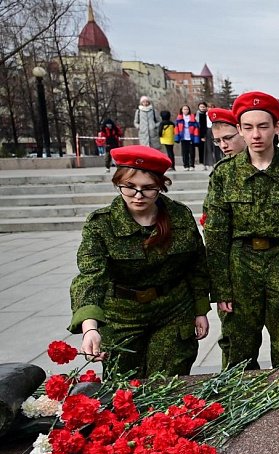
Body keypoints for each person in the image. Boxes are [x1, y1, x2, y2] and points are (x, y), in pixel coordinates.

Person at [69, 145, 210, 378]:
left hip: (173, 310)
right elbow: (91, 276)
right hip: (123, 315)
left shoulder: (179, 216)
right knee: (123, 387)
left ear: (161, 186)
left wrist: (200, 309)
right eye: (129, 187)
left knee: (169, 381)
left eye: (148, 189)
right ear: (118, 184)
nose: (138, 195)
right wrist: (90, 328)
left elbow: (195, 265)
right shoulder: (101, 224)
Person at [203, 91, 279, 371]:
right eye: (248, 127)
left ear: (277, 127)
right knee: (238, 350)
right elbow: (215, 236)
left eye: (263, 126)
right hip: (241, 268)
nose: (256, 135)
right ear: (239, 129)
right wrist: (221, 288)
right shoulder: (225, 174)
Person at [174, 105, 200, 171]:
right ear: (182, 110)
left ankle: (192, 165)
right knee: (184, 152)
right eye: (184, 109)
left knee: (192, 152)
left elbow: (196, 127)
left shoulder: (192, 117)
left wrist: (196, 138)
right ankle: (186, 165)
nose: (185, 110)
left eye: (187, 109)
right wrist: (177, 137)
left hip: (191, 137)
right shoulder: (179, 118)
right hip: (183, 137)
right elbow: (176, 128)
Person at [196, 101, 211, 170]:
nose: (202, 108)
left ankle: (208, 163)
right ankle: (202, 163)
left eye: (203, 107)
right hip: (198, 134)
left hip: (206, 133)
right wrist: (201, 136)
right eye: (201, 107)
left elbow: (204, 126)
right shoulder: (197, 115)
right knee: (201, 149)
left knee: (207, 148)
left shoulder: (207, 115)